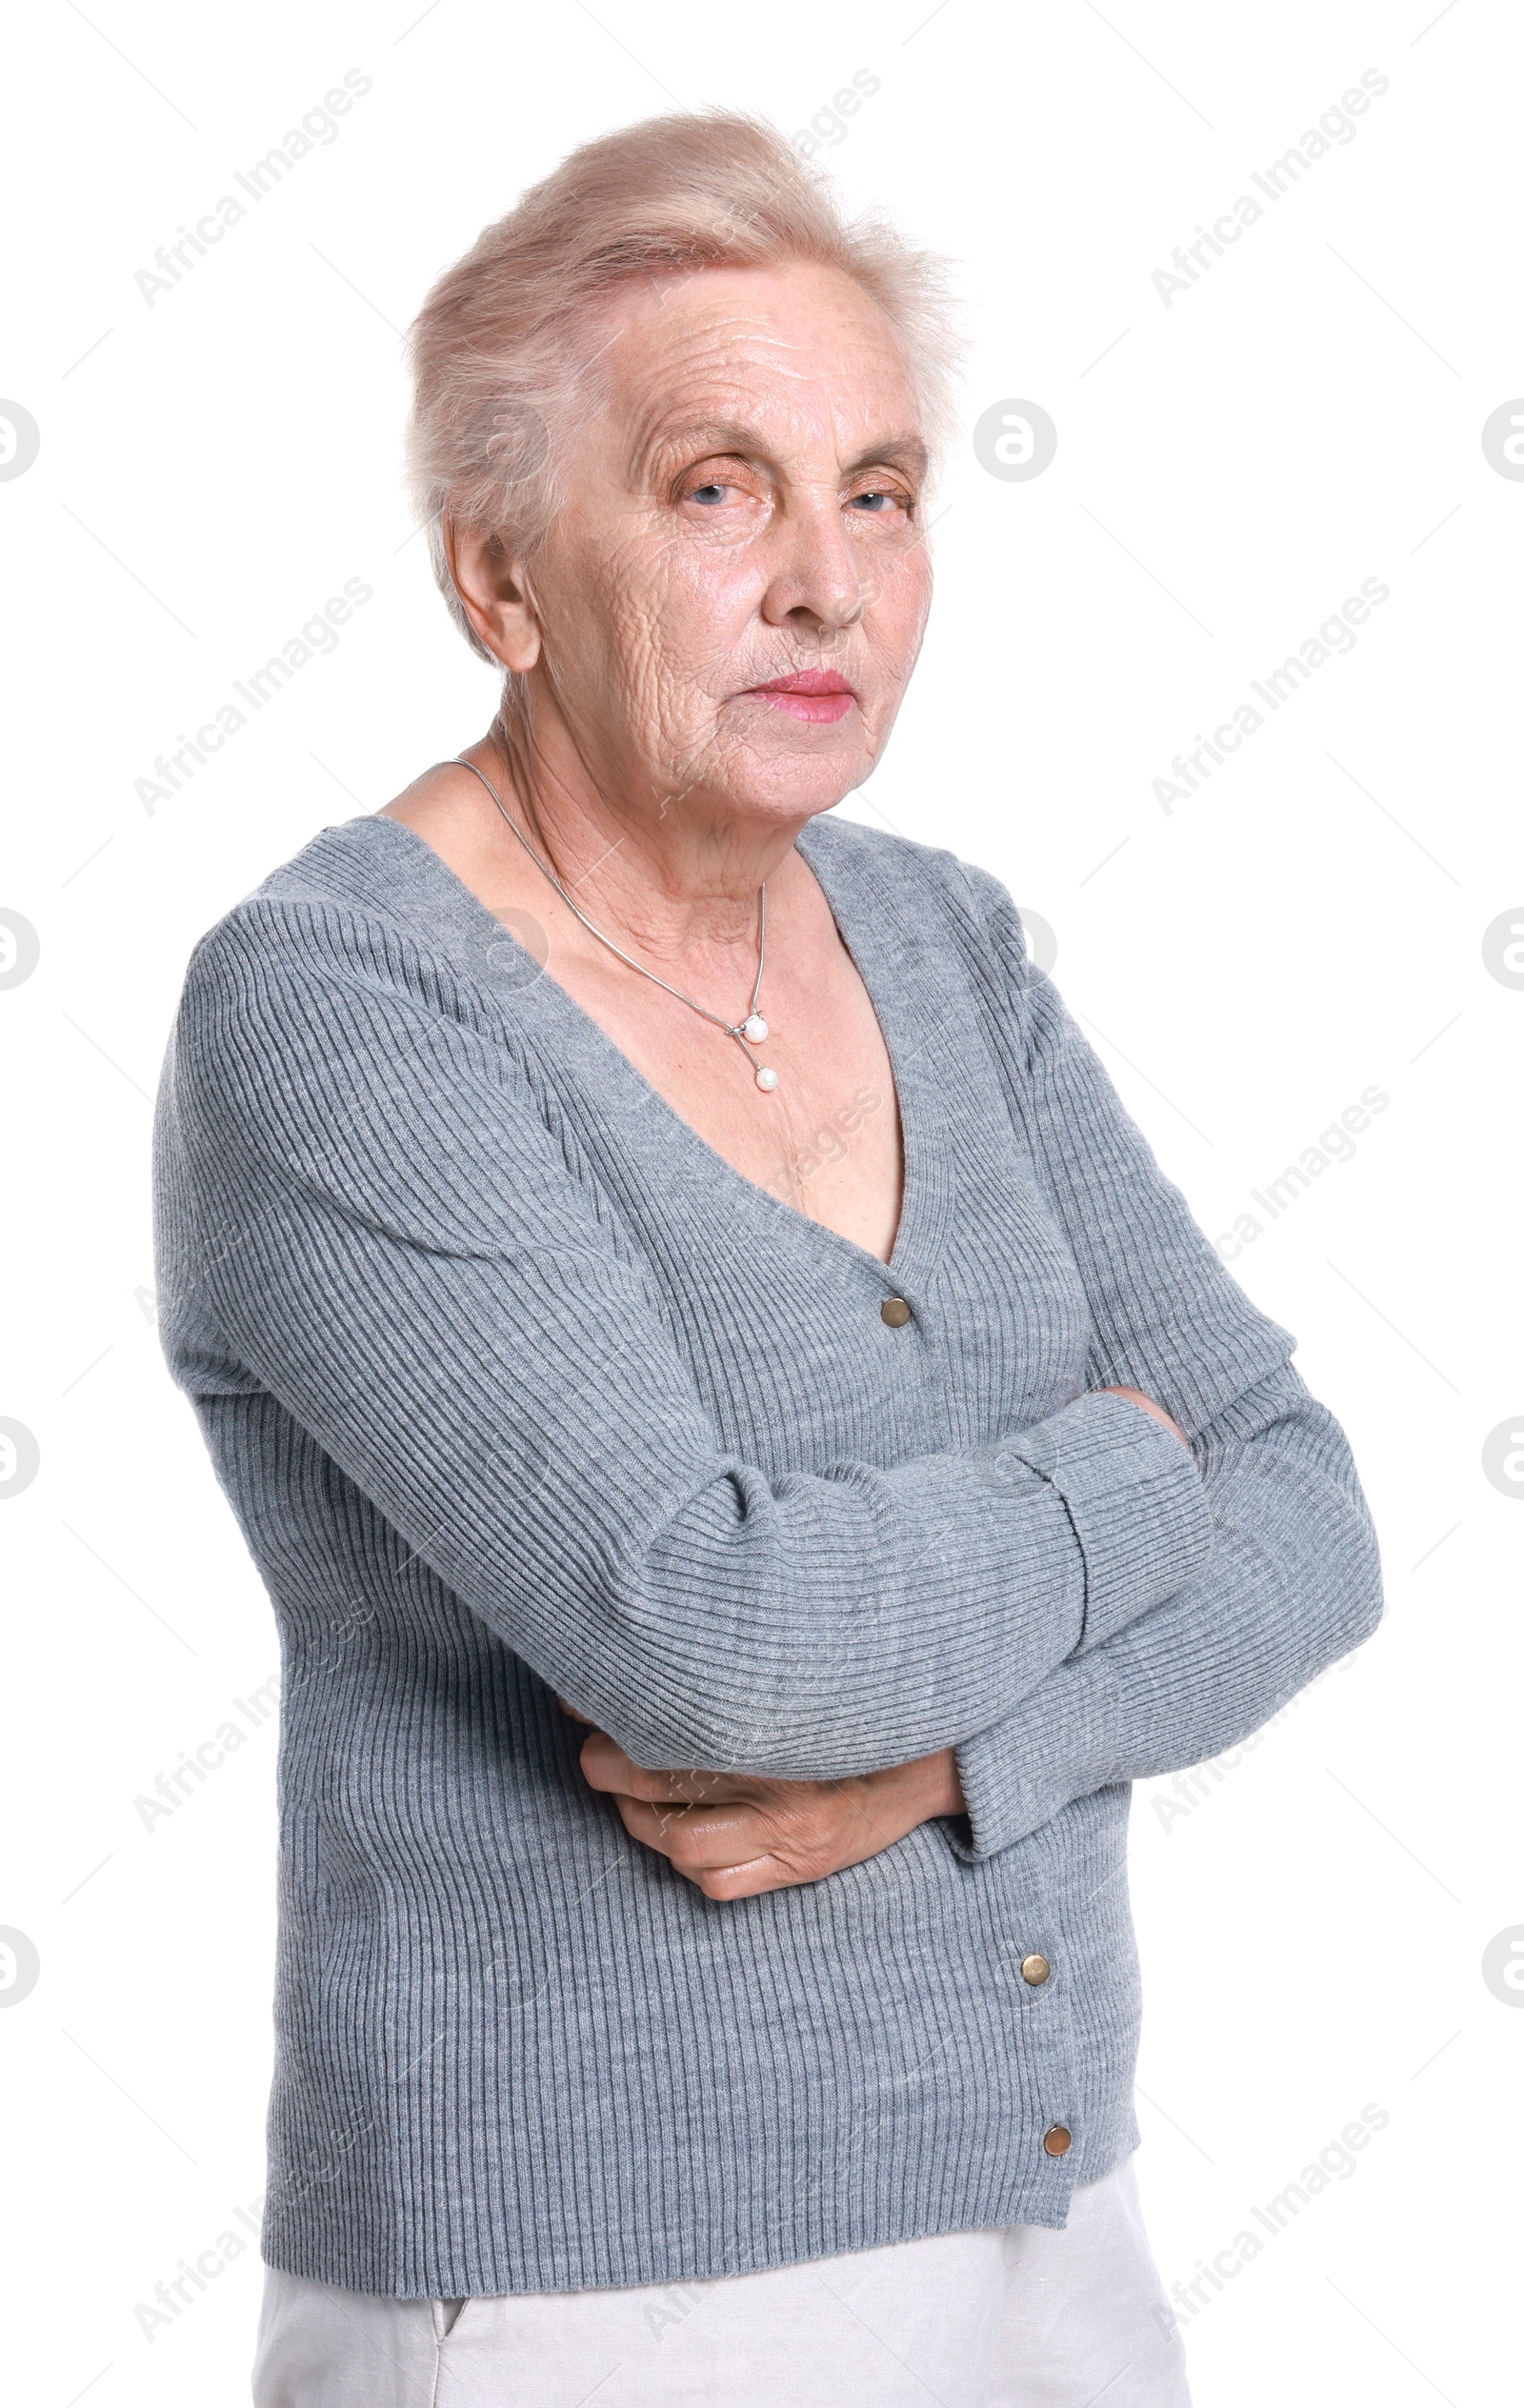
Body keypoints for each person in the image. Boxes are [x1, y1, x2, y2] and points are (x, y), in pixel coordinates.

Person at [152, 108, 1384, 2408]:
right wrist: (1120, 1476)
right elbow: (711, 1636)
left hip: (1051, 2237)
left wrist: (936, 1771)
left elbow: (1307, 1508)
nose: (823, 579)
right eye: (718, 488)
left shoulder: (943, 942)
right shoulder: (335, 1007)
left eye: (881, 492)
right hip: (573, 2294)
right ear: (498, 577)